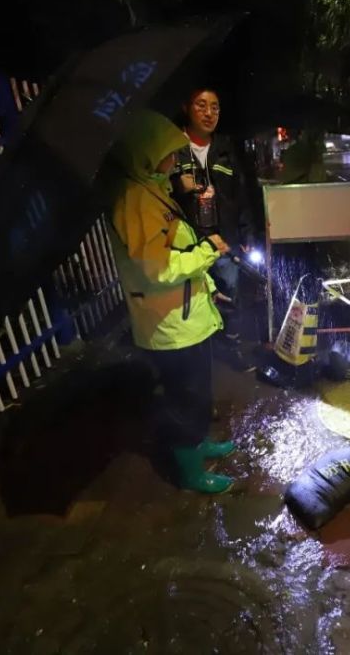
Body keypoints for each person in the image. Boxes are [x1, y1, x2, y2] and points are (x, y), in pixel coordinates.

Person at [106, 109, 235, 494]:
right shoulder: (134, 199)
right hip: (169, 323)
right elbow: (157, 268)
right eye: (168, 151)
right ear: (147, 151)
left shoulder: (150, 187)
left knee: (196, 393)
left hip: (184, 313)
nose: (174, 158)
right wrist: (207, 252)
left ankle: (197, 443)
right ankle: (190, 472)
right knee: (185, 397)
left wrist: (206, 284)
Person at [171, 88, 257, 370]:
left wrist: (246, 234)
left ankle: (230, 347)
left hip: (225, 241)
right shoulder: (172, 147)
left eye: (215, 107)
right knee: (192, 299)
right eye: (201, 105)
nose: (209, 113)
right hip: (188, 243)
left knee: (230, 295)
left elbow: (241, 193)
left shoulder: (225, 148)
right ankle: (198, 357)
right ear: (186, 107)